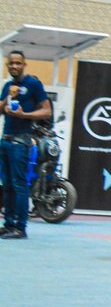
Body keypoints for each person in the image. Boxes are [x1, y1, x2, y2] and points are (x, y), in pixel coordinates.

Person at [1, 50, 51, 240]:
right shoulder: (7, 86)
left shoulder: (33, 84)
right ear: (8, 65)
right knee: (7, 186)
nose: (15, 66)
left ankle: (20, 228)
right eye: (11, 63)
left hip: (21, 141)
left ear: (24, 65)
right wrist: (5, 103)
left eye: (18, 63)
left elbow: (46, 111)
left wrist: (25, 115)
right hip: (5, 140)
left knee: (19, 185)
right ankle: (8, 225)